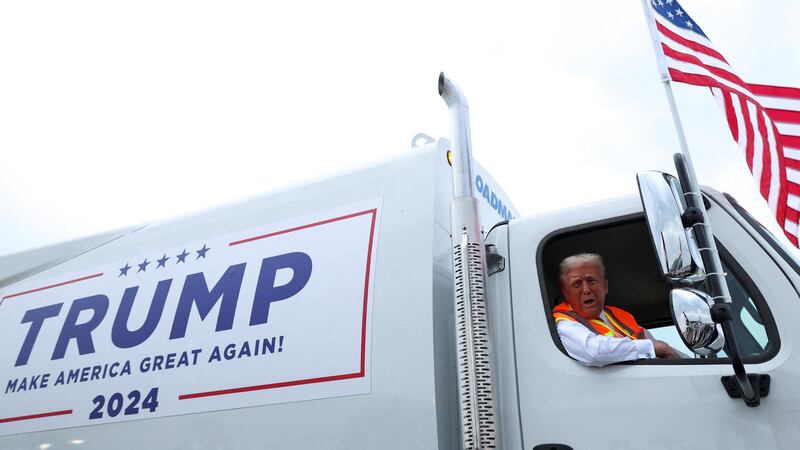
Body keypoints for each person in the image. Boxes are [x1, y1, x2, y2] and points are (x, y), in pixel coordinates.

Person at [552, 253, 680, 366]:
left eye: (591, 281)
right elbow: (594, 352)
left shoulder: (621, 316)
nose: (586, 290)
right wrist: (649, 348)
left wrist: (681, 360)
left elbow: (663, 348)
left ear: (605, 286)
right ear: (566, 292)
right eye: (577, 284)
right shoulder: (563, 322)